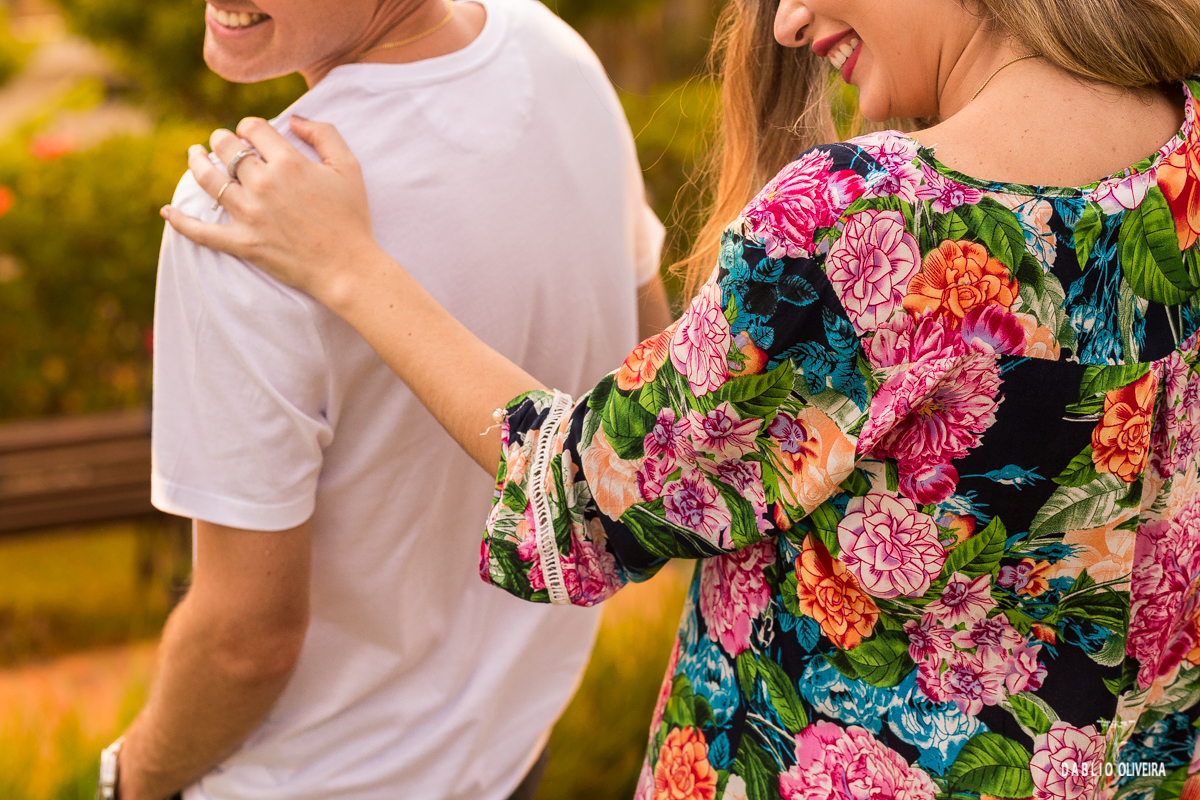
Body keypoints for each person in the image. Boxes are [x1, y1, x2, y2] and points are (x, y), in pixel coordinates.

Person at [163, 0, 1200, 796]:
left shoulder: (865, 223)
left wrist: (348, 266)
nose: (789, 20)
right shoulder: (1179, 145)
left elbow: (593, 490)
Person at [104, 0, 672, 798]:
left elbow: (245, 642)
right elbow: (646, 367)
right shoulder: (553, 53)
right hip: (510, 751)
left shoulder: (241, 211)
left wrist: (129, 780)